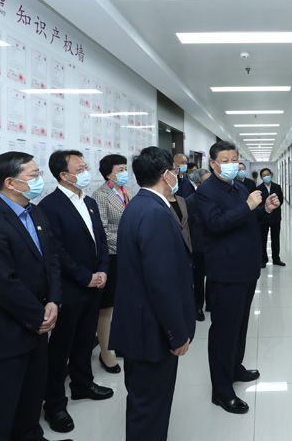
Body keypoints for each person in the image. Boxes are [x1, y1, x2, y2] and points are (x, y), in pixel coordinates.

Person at [0, 151, 68, 441]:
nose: (40, 180)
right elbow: (2, 284)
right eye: (34, 175)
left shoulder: (35, 212)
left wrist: (54, 301)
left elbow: (52, 260)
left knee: (30, 403)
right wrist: (39, 316)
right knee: (0, 413)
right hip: (5, 335)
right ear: (10, 182)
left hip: (37, 328)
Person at [109, 147, 196, 440]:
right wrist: (177, 334)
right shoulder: (155, 213)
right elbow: (161, 283)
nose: (177, 175)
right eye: (174, 170)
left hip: (139, 326)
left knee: (144, 404)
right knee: (150, 409)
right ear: (166, 174)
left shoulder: (139, 205)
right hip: (152, 332)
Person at [196, 141, 280, 414]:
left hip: (246, 269)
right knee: (224, 331)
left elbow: (250, 218)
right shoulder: (206, 192)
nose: (232, 163)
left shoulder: (240, 187)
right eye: (226, 159)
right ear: (213, 163)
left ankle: (234, 368)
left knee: (240, 325)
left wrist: (265, 208)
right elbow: (217, 224)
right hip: (226, 272)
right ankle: (221, 391)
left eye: (235, 158)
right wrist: (248, 206)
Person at [39, 150, 112, 434]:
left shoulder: (89, 201)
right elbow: (56, 251)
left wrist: (102, 270)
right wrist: (85, 277)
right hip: (70, 288)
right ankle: (54, 404)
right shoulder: (50, 205)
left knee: (84, 340)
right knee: (61, 349)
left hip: (94, 285)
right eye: (79, 169)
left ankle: (82, 384)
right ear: (63, 175)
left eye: (85, 167)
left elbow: (101, 239)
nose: (86, 172)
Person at [91, 154, 135, 374]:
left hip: (129, 255)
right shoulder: (100, 195)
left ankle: (119, 342)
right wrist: (127, 242)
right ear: (108, 174)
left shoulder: (129, 192)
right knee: (106, 307)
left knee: (123, 303)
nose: (124, 172)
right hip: (112, 255)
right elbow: (102, 229)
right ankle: (105, 353)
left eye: (125, 168)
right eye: (120, 169)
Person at [186, 168, 212, 320]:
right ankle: (197, 306)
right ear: (197, 184)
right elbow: (187, 226)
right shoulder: (190, 201)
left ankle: (211, 303)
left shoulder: (216, 197)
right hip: (198, 247)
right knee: (198, 278)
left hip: (215, 244)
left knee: (213, 276)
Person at [258, 168, 286, 267]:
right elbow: (258, 203)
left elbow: (281, 200)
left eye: (268, 175)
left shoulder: (277, 187)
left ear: (271, 175)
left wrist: (274, 207)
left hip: (275, 217)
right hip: (263, 218)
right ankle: (263, 260)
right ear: (261, 177)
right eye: (264, 175)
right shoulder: (259, 189)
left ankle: (276, 259)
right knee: (263, 239)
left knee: (275, 238)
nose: (266, 177)